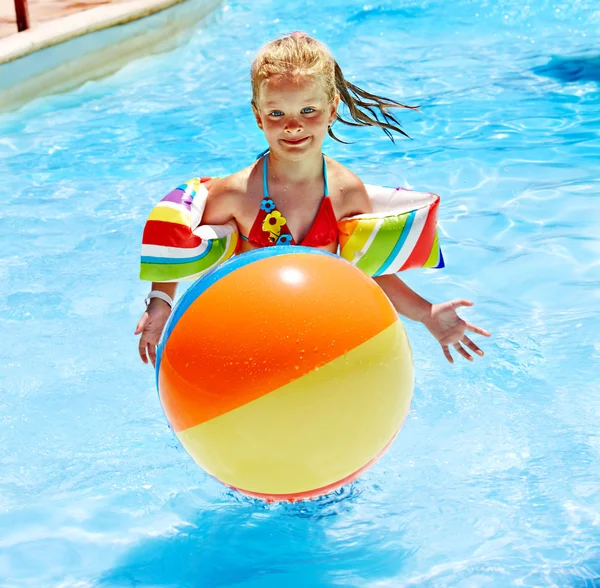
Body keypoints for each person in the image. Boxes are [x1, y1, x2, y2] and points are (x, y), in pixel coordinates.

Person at [135, 32, 490, 367]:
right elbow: (185, 246)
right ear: (258, 116)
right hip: (246, 336)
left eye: (308, 111)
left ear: (332, 109)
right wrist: (160, 302)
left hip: (317, 333)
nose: (293, 126)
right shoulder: (237, 194)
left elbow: (368, 269)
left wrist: (426, 313)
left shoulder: (345, 192)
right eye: (277, 113)